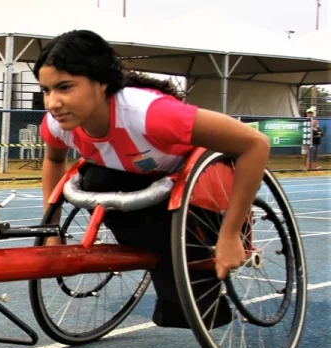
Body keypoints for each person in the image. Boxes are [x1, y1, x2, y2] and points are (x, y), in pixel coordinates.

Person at [35, 30, 270, 328]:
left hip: (200, 195)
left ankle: (188, 269)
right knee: (95, 179)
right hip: (139, 188)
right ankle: (158, 256)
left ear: (101, 82)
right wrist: (51, 229)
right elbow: (55, 160)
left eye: (65, 87)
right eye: (46, 90)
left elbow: (255, 144)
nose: (53, 103)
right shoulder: (58, 124)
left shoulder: (150, 114)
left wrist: (230, 233)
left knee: (190, 314)